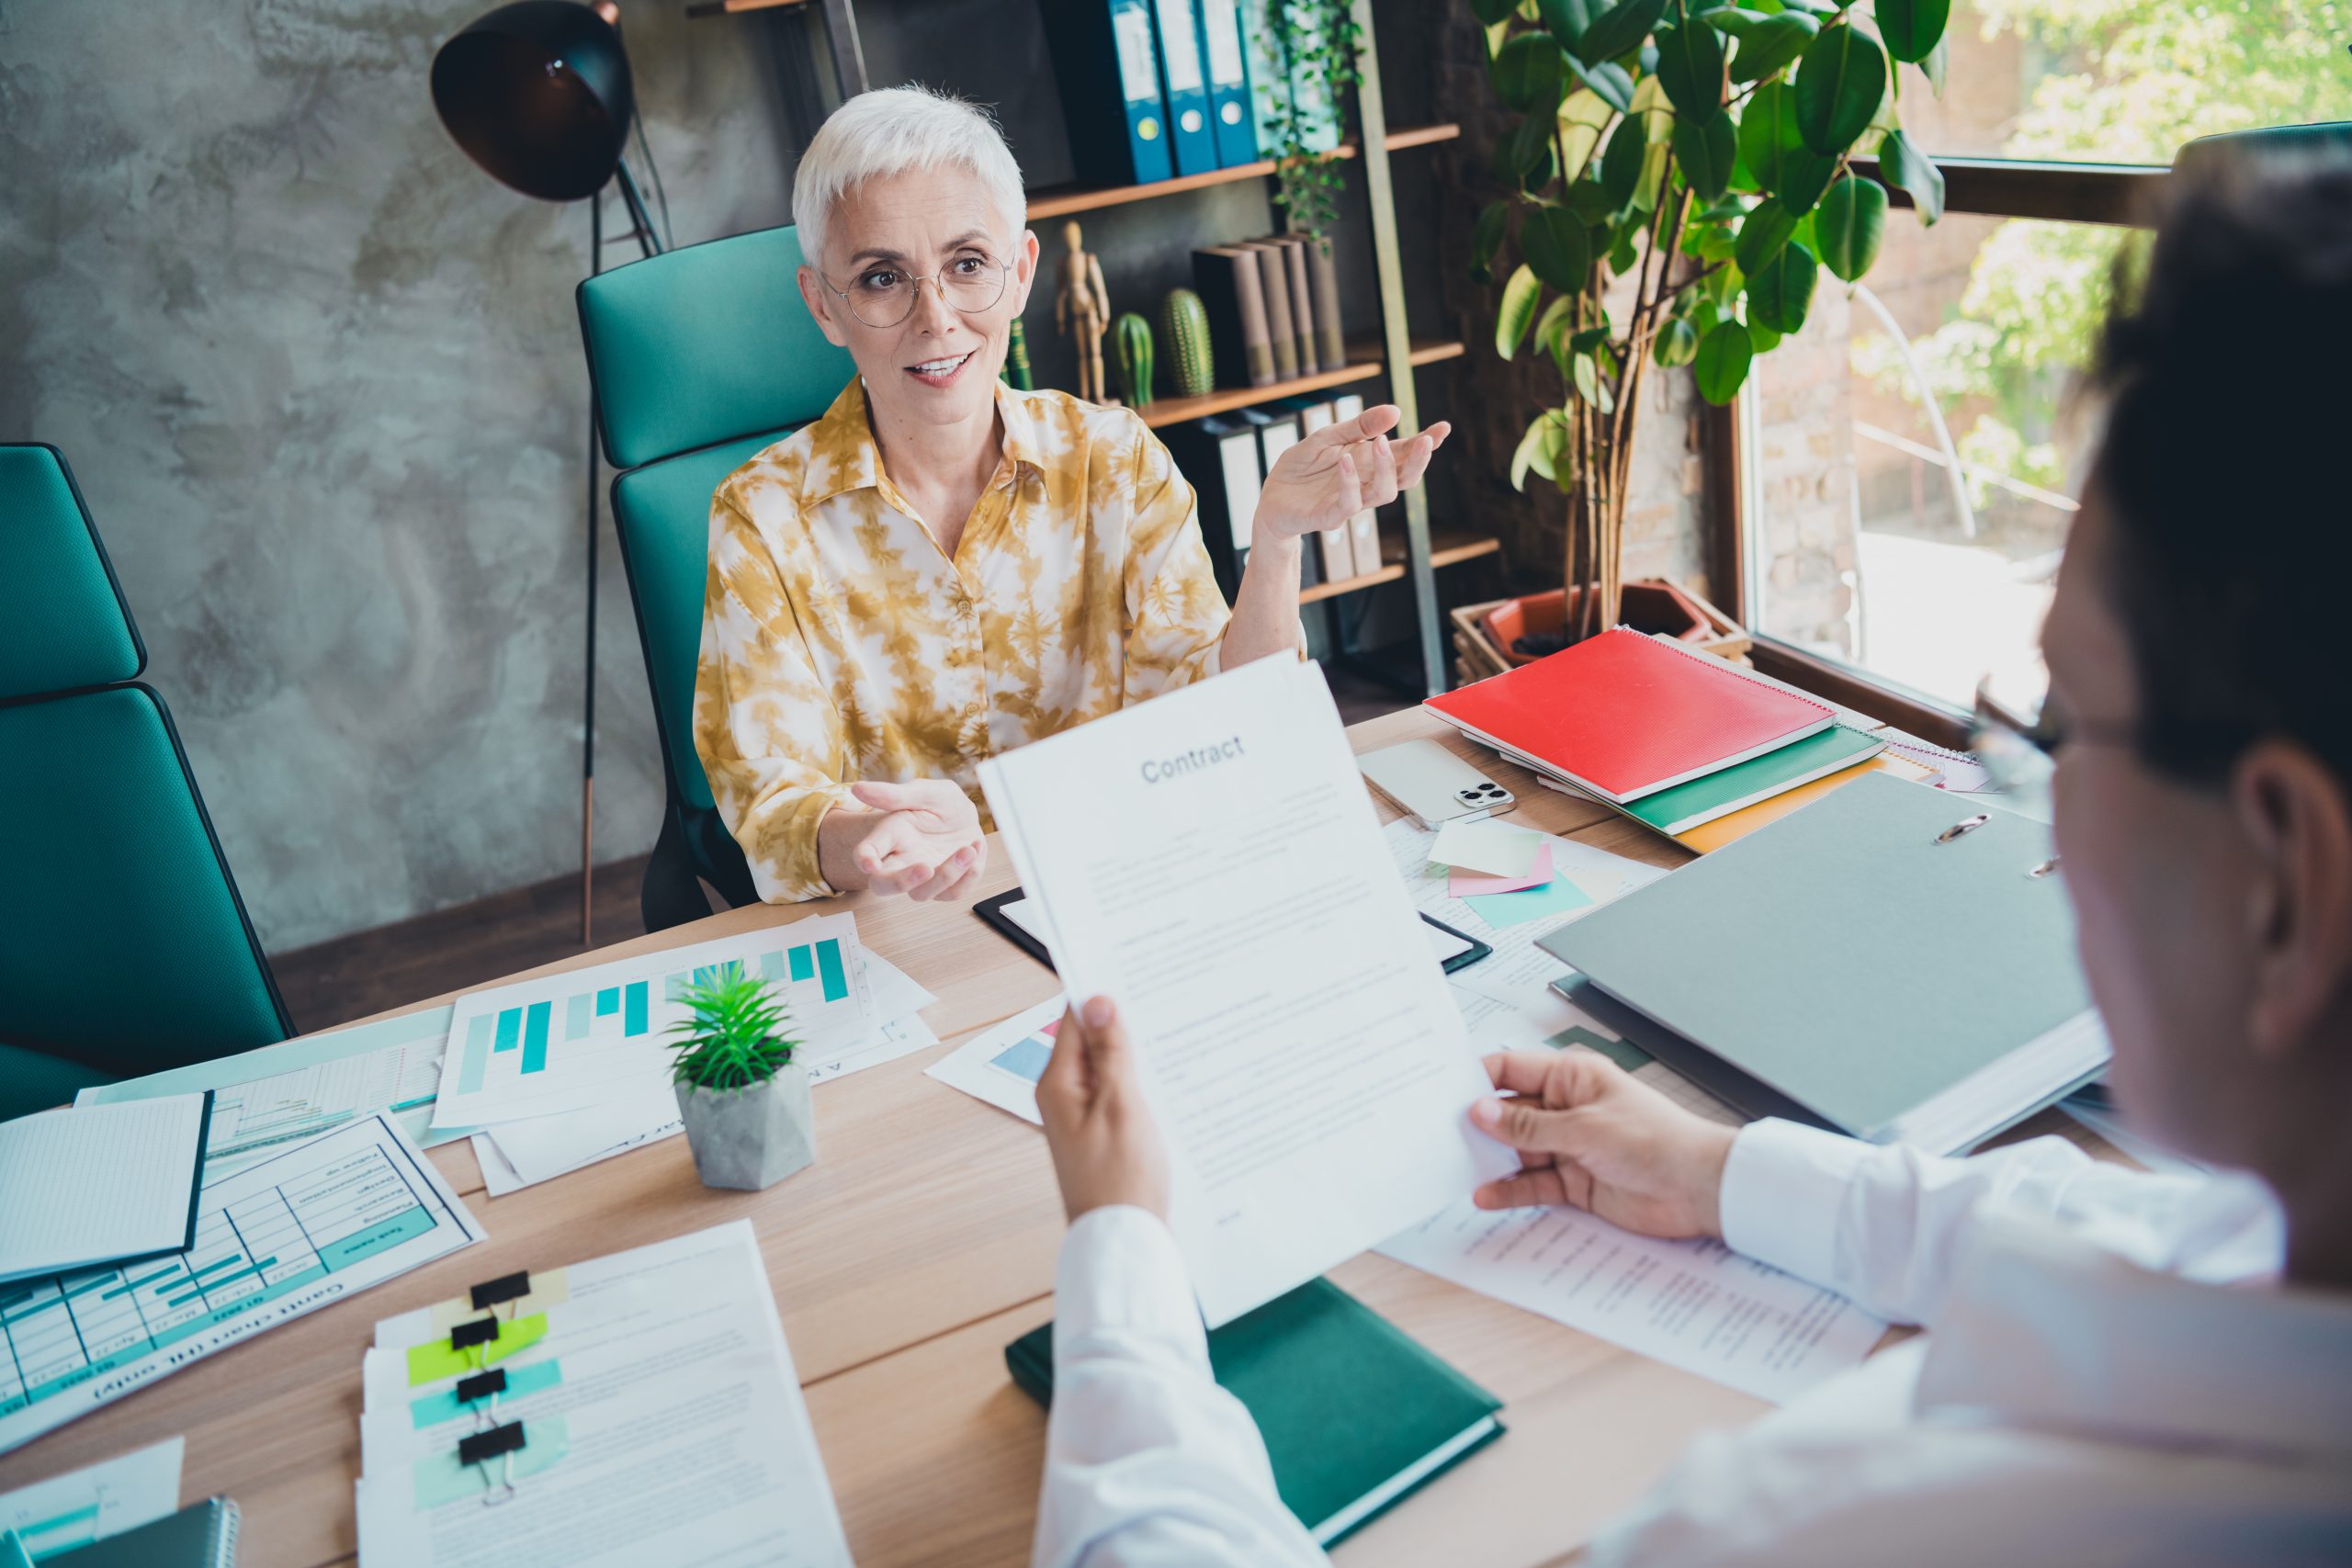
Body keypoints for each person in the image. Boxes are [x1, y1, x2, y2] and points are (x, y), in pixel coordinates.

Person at [1027, 152, 2352, 1565]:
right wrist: (1719, 1170)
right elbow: (2121, 1227)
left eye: (2064, 726)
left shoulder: (1859, 1522)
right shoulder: (2274, 1253)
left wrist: (1123, 1257)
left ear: (2286, 879)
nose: (2041, 814)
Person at [693, 86, 1449, 906]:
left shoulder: (1114, 461)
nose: (936, 317)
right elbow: (774, 802)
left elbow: (1229, 721)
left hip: (1124, 889)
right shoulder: (763, 516)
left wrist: (1274, 542)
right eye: (882, 278)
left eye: (968, 264)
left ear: (1020, 274)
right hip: (905, 927)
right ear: (823, 304)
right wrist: (870, 842)